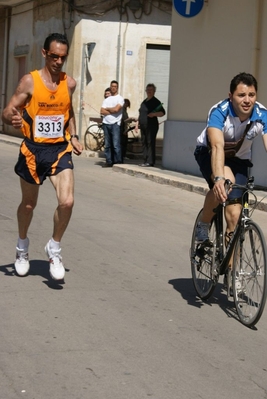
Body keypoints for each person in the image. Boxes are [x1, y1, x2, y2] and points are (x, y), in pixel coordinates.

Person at [1, 33, 83, 280]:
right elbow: (7, 110)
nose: (59, 61)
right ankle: (22, 247)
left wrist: (75, 136)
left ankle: (54, 247)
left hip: (59, 149)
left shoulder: (69, 83)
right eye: (54, 56)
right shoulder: (30, 82)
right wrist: (11, 118)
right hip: (33, 150)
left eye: (63, 57)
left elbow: (68, 113)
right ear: (45, 53)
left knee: (67, 201)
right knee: (29, 204)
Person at [194, 72, 267, 250]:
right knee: (226, 184)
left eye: (251, 95)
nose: (247, 100)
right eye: (241, 95)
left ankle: (230, 273)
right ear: (231, 96)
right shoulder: (220, 111)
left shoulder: (261, 114)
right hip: (209, 152)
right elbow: (217, 146)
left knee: (235, 216)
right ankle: (203, 223)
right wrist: (218, 178)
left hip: (239, 159)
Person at [137, 83, 165, 167]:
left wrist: (154, 114)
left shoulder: (156, 101)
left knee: (150, 142)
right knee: (144, 142)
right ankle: (145, 160)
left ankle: (150, 161)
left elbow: (163, 112)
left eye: (151, 90)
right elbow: (141, 113)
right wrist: (137, 124)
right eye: (148, 90)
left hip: (151, 126)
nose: (149, 91)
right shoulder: (144, 102)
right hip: (143, 125)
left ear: (154, 91)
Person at [100, 80, 124, 167]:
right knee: (107, 145)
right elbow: (102, 111)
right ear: (110, 87)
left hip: (115, 124)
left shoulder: (120, 99)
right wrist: (112, 110)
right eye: (112, 86)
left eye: (115, 86)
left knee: (116, 144)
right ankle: (109, 161)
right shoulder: (107, 99)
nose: (113, 88)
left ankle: (118, 161)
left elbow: (116, 110)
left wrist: (108, 109)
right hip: (106, 123)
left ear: (117, 88)